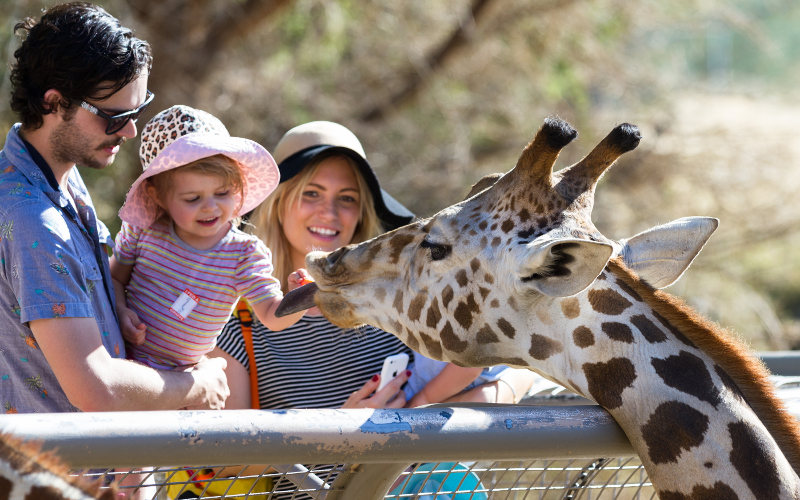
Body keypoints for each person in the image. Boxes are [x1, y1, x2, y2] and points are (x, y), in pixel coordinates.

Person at [209, 120, 536, 410]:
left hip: (408, 479)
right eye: (312, 193)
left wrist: (415, 413)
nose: (330, 212)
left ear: (361, 212)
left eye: (347, 198)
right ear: (277, 204)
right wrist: (340, 431)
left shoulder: (397, 300)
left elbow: (512, 373)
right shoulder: (234, 320)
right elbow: (227, 462)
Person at [0, 2, 229, 415]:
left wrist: (117, 304)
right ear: (54, 102)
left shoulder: (59, 177)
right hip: (65, 477)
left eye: (136, 111)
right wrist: (197, 385)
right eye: (114, 116)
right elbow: (97, 388)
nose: (129, 130)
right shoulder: (34, 220)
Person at [111, 105, 307, 370]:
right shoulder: (145, 229)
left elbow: (272, 315)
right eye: (193, 198)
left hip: (182, 379)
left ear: (237, 187)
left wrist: (300, 297)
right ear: (158, 196)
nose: (211, 207)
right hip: (121, 360)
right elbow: (113, 277)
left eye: (223, 193)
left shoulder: (243, 254)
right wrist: (121, 310)